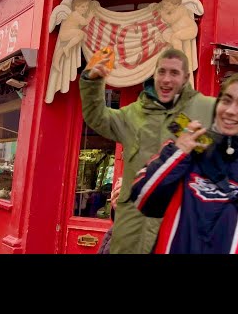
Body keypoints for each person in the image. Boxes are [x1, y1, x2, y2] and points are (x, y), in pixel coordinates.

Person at [130, 71, 238, 254]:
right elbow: (143, 199)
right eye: (226, 100)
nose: (230, 111)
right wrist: (179, 152)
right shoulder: (188, 150)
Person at [80, 48, 215, 254]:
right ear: (154, 74)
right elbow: (97, 118)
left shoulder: (193, 117)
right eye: (162, 72)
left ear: (186, 78)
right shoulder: (134, 114)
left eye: (174, 73)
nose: (166, 79)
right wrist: (93, 81)